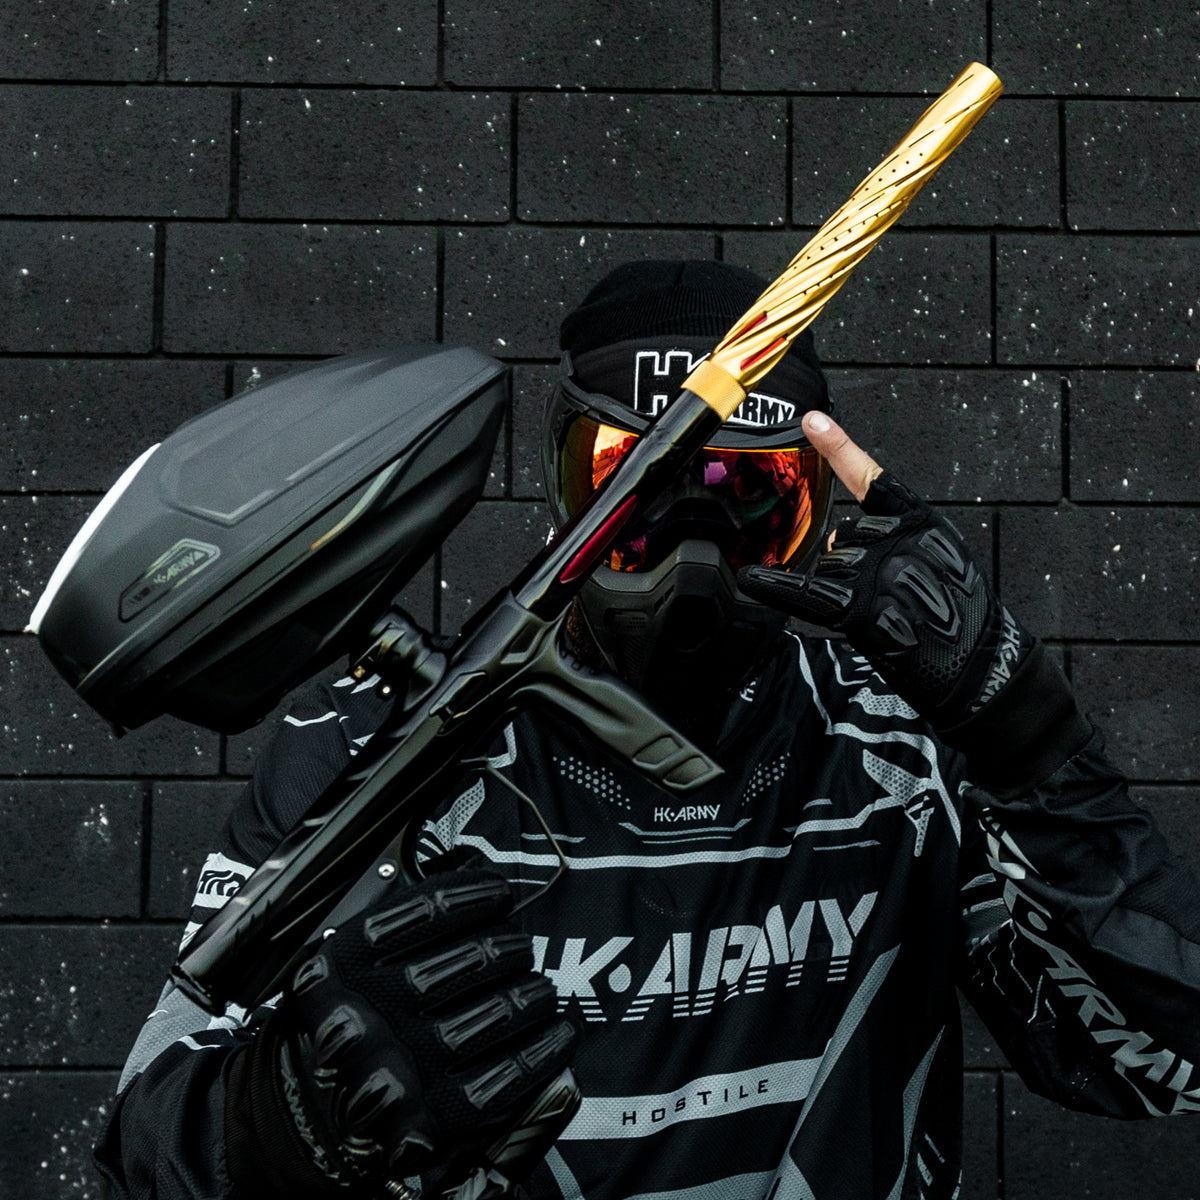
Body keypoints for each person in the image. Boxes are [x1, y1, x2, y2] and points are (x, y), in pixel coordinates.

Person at [95, 261, 1200, 1200]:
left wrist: (1026, 731)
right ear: (561, 489)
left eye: (751, 494)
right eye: (631, 490)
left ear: (820, 505)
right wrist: (287, 1117)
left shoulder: (905, 742)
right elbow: (151, 1129)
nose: (691, 548)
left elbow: (1160, 1062)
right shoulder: (388, 747)